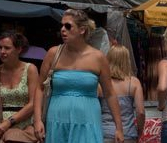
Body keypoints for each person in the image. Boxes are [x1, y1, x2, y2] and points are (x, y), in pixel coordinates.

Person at [33, 9, 124, 143]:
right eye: (62, 25)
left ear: (82, 30)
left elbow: (110, 93)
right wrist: (37, 120)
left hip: (88, 121)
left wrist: (119, 127)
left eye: (68, 26)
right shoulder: (53, 53)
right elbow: (40, 88)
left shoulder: (98, 57)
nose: (63, 29)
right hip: (57, 120)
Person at [0, 30, 39, 142]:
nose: (2, 51)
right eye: (0, 47)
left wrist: (9, 122)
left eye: (7, 48)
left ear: (19, 49)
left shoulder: (30, 69)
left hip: (24, 127)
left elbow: (33, 103)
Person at [99, 45, 145, 143]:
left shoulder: (100, 83)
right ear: (126, 61)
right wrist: (140, 131)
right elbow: (140, 111)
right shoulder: (134, 82)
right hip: (127, 134)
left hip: (104, 133)